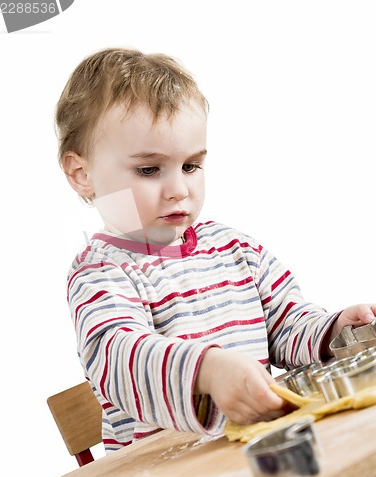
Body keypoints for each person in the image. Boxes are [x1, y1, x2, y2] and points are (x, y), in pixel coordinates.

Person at [56, 47, 376, 451]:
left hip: (259, 455)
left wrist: (334, 332)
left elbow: (286, 324)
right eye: (149, 169)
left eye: (190, 166)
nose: (179, 190)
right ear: (82, 174)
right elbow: (121, 358)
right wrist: (206, 371)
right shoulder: (100, 274)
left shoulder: (236, 249)